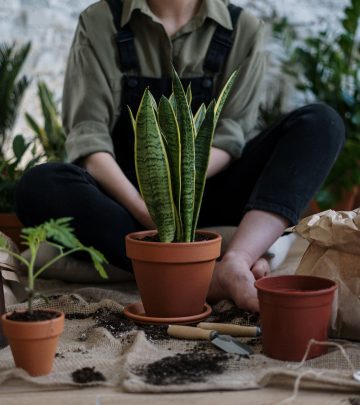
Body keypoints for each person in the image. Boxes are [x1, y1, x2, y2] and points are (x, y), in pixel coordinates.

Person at [15, 0, 345, 312]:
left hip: (208, 190)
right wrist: (149, 210)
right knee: (40, 185)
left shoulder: (242, 28)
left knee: (321, 123)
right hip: (127, 206)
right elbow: (89, 138)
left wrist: (182, 195)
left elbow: (229, 137)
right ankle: (199, 273)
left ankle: (235, 261)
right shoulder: (100, 22)